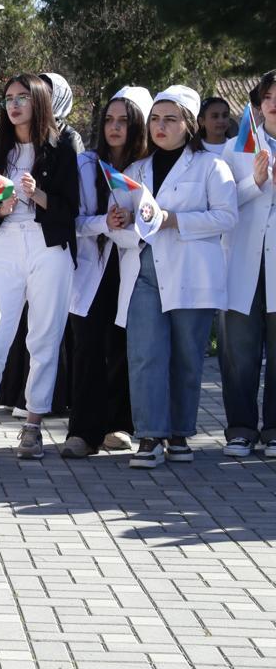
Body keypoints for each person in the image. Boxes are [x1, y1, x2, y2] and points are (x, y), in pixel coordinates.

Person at [120, 86, 236, 467]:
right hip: (146, 272)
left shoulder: (211, 167)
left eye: (170, 119)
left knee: (187, 357)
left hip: (192, 273)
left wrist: (175, 220)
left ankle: (180, 433)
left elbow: (226, 217)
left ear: (189, 124)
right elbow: (122, 222)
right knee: (145, 355)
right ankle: (150, 436)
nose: (160, 126)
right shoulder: (135, 170)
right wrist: (117, 220)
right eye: (155, 118)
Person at [0, 73, 79, 460]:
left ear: (39, 102)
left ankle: (32, 427)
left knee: (43, 339)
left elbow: (72, 210)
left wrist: (37, 195)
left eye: (22, 98)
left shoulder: (63, 146)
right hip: (5, 245)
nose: (14, 105)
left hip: (48, 246)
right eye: (8, 98)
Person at [61, 86, 151, 458]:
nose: (115, 128)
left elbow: (154, 219)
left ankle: (119, 425)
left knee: (123, 345)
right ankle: (82, 431)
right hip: (93, 268)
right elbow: (76, 221)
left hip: (133, 265)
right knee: (88, 347)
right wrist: (106, 222)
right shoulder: (87, 163)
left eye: (124, 121)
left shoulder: (147, 166)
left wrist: (131, 222)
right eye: (109, 120)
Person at [219, 72, 276, 456]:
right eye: (268, 95)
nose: (273, 102)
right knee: (238, 350)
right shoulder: (237, 148)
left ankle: (273, 429)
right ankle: (240, 428)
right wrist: (254, 182)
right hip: (241, 259)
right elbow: (222, 206)